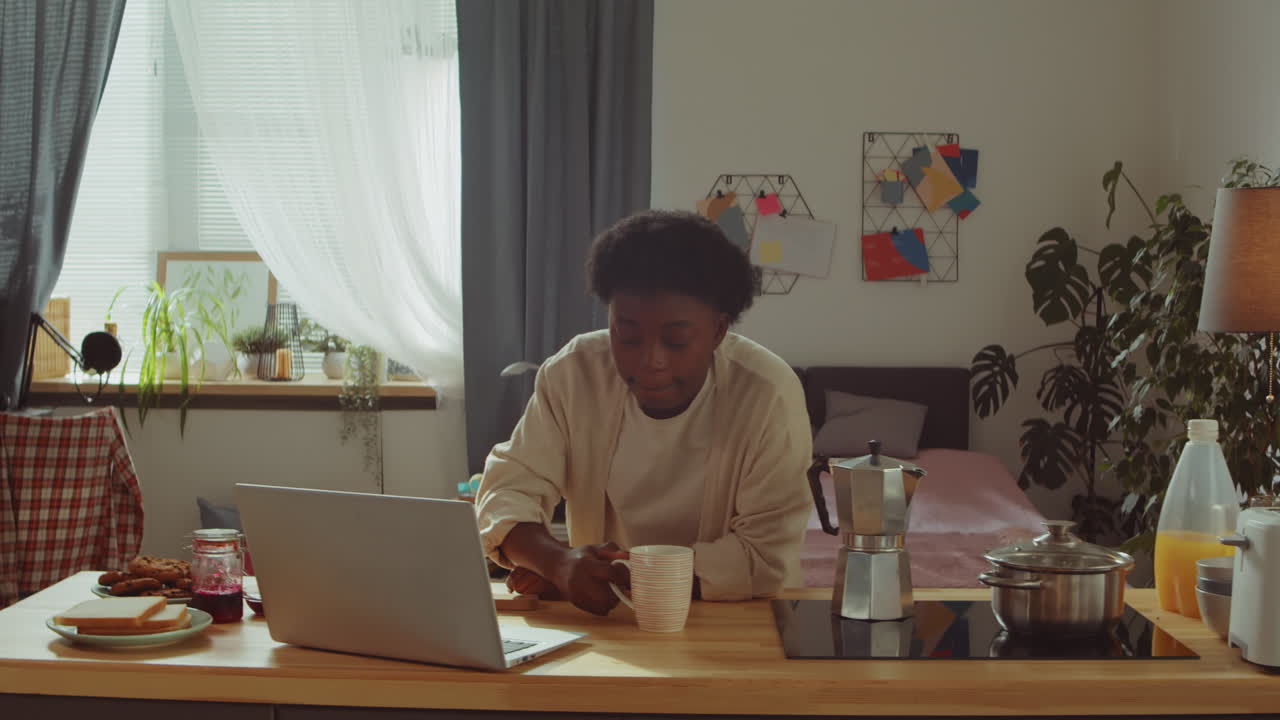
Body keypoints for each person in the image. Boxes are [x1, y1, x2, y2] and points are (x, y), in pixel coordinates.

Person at [475, 209, 813, 616]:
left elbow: (765, 555)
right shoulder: (575, 372)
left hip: (734, 623)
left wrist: (603, 573)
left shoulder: (766, 394)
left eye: (676, 341)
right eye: (628, 336)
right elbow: (510, 487)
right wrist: (555, 561)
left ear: (719, 332)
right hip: (608, 624)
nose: (651, 361)